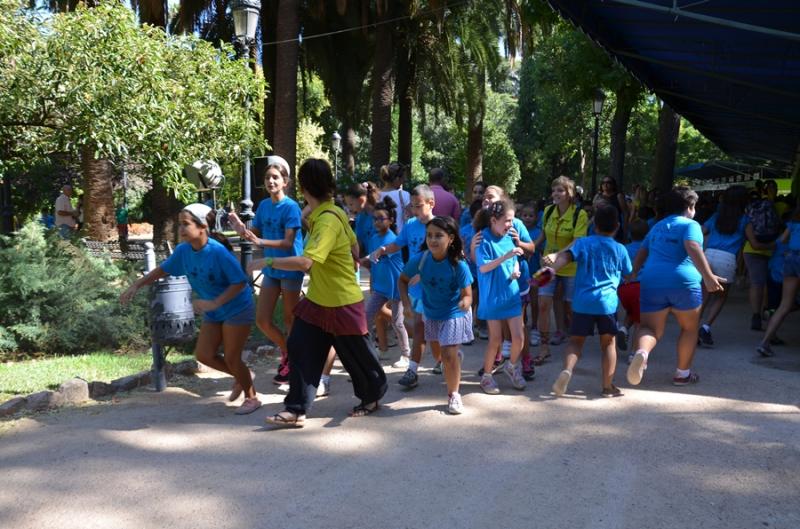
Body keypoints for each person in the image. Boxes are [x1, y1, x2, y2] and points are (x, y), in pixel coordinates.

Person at [250, 159, 387, 427]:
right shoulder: (330, 213)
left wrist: (266, 261)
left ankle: (372, 396)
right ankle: (296, 409)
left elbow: (306, 262)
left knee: (356, 355)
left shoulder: (327, 220)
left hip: (341, 301)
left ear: (302, 187)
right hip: (319, 301)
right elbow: (355, 248)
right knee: (300, 347)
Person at [120, 204, 260, 414]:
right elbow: (163, 270)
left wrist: (214, 303)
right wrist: (137, 284)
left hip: (236, 308)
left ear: (203, 226)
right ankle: (243, 374)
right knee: (204, 355)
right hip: (214, 310)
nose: (181, 229)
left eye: (186, 224)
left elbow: (240, 282)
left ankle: (252, 397)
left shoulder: (218, 252)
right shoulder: (183, 251)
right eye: (180, 224)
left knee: (231, 357)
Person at [627, 187, 723, 388]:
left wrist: (634, 273)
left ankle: (642, 354)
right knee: (689, 329)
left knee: (649, 328)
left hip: (652, 281)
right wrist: (708, 276)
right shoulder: (691, 225)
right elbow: (693, 247)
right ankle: (682, 374)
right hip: (684, 283)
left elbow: (642, 252)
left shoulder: (656, 227)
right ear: (688, 207)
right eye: (694, 206)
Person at [544, 205, 632, 397]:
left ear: (595, 225)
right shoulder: (620, 249)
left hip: (582, 302)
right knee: (608, 344)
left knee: (576, 342)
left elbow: (566, 257)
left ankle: (567, 370)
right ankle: (608, 386)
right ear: (617, 226)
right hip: (606, 304)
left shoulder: (583, 243)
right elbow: (628, 272)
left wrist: (552, 270)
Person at [239, 155, 304, 387]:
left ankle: (296, 364)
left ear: (285, 181)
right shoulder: (264, 206)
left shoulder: (292, 207)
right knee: (262, 320)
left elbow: (287, 243)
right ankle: (288, 353)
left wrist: (260, 241)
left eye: (275, 177)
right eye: (267, 178)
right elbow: (255, 235)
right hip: (271, 269)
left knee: (290, 319)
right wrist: (241, 229)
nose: (271, 181)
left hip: (289, 266)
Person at [399, 216, 473, 414]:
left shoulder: (459, 265)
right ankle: (453, 357)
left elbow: (468, 294)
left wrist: (464, 303)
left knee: (447, 355)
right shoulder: (420, 260)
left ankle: (454, 395)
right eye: (429, 235)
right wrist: (406, 304)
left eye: (438, 235)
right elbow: (402, 280)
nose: (433, 240)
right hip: (431, 312)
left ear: (450, 238)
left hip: (454, 312)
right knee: (439, 354)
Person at [371, 184, 440, 384]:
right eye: (413, 206)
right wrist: (383, 249)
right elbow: (398, 244)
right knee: (419, 328)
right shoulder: (410, 225)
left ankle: (442, 359)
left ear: (431, 203)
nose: (415, 210)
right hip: (416, 287)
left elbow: (445, 257)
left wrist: (426, 273)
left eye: (419, 206)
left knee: (433, 332)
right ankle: (413, 370)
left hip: (435, 287)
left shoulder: (440, 226)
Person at [474, 199, 527, 394]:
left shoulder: (509, 236)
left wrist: (515, 269)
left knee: (519, 337)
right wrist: (506, 257)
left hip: (511, 293)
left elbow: (514, 258)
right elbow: (483, 267)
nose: (511, 225)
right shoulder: (483, 239)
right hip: (492, 297)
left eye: (512, 220)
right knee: (495, 340)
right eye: (507, 220)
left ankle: (512, 366)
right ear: (493, 220)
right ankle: (487, 377)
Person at [534, 176, 589, 365]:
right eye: (554, 190)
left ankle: (575, 347)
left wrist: (558, 255)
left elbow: (578, 241)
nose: (556, 194)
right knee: (542, 302)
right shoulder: (548, 211)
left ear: (570, 193)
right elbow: (542, 235)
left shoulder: (579, 214)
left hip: (571, 266)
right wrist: (530, 248)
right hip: (547, 265)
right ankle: (544, 347)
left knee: (571, 308)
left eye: (560, 190)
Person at [698, 185, 749, 347]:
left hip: (708, 255)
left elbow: (702, 230)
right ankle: (705, 327)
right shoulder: (744, 220)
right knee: (720, 296)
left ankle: (692, 328)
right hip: (727, 258)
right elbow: (752, 241)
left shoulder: (716, 216)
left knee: (704, 294)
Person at [361, 196, 410, 359]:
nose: (377, 222)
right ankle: (371, 350)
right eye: (375, 218)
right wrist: (363, 263)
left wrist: (367, 259)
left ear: (390, 220)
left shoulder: (392, 240)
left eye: (381, 218)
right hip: (381, 288)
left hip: (396, 288)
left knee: (397, 322)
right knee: (367, 315)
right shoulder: (374, 238)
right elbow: (373, 262)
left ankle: (406, 355)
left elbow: (378, 256)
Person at [756, 205, 800, 357]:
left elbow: (783, 239)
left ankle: (765, 342)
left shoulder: (794, 222)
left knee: (784, 305)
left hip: (790, 260)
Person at [344, 182, 380, 254]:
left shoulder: (379, 216)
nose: (349, 208)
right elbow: (359, 243)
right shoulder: (359, 217)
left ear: (361, 200)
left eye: (351, 204)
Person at [378, 163, 411, 234]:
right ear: (397, 179)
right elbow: (412, 215)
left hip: (380, 235)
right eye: (403, 178)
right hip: (399, 237)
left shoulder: (376, 195)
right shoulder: (404, 195)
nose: (404, 180)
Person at [593, 176, 628, 242]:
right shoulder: (598, 196)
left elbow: (625, 213)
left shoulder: (619, 196)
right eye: (603, 183)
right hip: (599, 228)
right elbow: (594, 212)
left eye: (608, 182)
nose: (605, 185)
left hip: (614, 229)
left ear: (613, 185)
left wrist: (625, 230)